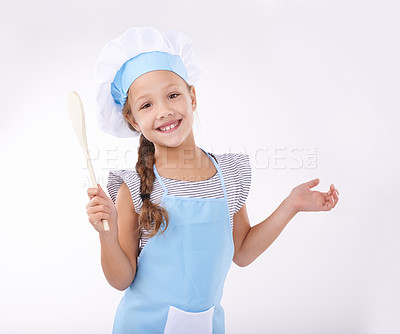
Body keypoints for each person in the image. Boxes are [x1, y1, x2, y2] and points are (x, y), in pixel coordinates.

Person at [86, 26, 339, 334]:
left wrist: (290, 205)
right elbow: (121, 279)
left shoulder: (229, 176)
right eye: (147, 105)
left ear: (192, 97)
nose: (164, 111)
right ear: (132, 120)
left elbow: (242, 252)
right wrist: (107, 236)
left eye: (173, 95)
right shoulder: (134, 188)